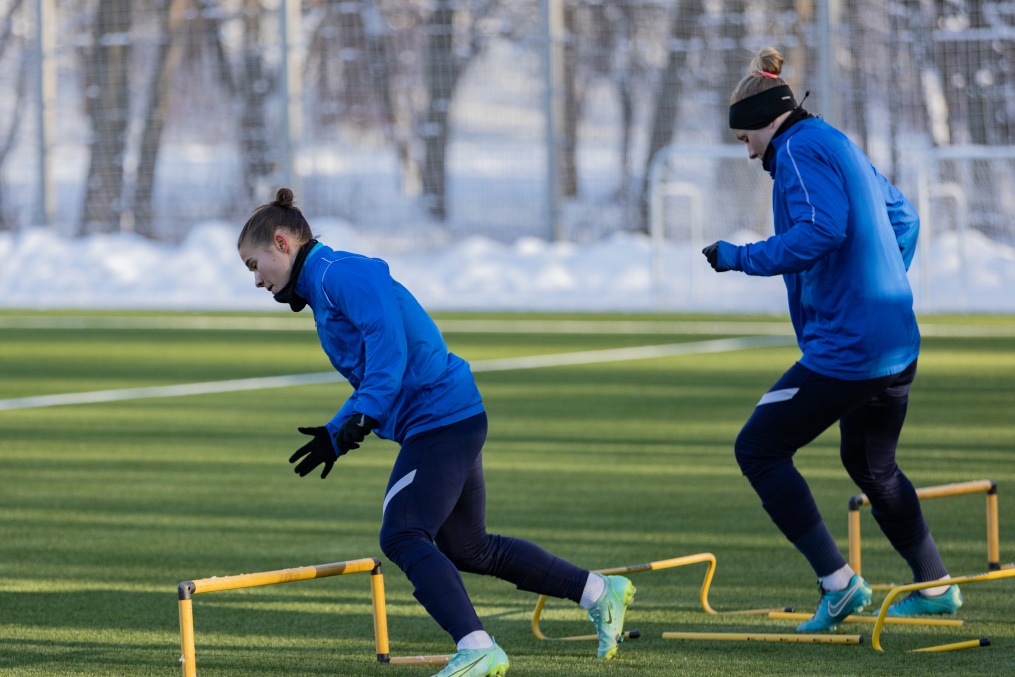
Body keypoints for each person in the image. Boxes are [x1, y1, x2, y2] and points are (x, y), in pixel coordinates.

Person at [237, 188, 635, 677]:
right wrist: (339, 432)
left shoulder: (338, 273)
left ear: (282, 243)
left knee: (403, 532)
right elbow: (371, 374)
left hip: (440, 419)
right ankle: (600, 591)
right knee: (470, 547)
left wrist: (360, 419)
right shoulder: (323, 287)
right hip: (447, 416)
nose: (256, 279)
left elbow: (390, 348)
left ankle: (478, 647)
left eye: (255, 265)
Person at [701, 47, 962, 632]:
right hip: (895, 339)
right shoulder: (836, 142)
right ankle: (936, 585)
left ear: (768, 120)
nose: (746, 151)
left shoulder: (795, 150)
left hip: (852, 349)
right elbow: (906, 220)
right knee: (872, 466)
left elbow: (821, 229)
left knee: (758, 449)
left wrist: (741, 257)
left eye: (746, 138)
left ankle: (838, 585)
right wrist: (880, 284)